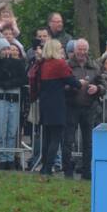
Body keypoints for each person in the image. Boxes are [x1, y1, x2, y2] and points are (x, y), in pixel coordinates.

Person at [37, 39, 80, 176]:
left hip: (45, 103)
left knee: (47, 137)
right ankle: (49, 168)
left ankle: (44, 167)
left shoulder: (43, 64)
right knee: (56, 138)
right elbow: (73, 81)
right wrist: (81, 82)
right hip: (57, 104)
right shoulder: (59, 64)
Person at [65, 39, 104, 179]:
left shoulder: (94, 65)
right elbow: (61, 85)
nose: (81, 52)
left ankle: (87, 172)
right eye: (79, 49)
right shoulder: (67, 65)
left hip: (89, 108)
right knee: (68, 140)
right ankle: (68, 172)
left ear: (87, 50)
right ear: (74, 50)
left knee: (88, 142)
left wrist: (98, 88)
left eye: (84, 49)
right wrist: (73, 86)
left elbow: (103, 85)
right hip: (71, 107)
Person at [0, 39, 27, 171]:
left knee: (12, 131)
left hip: (14, 100)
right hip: (0, 99)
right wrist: (6, 84)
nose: (6, 52)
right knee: (1, 131)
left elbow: (22, 79)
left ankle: (10, 158)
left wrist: (10, 84)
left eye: (7, 49)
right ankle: (2, 158)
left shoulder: (18, 63)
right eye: (3, 49)